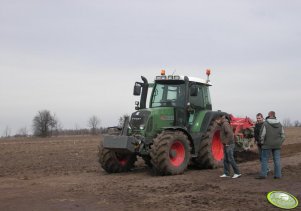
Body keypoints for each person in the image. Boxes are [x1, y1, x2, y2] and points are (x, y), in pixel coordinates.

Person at [256, 111, 285, 179]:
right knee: (277, 160)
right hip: (277, 145)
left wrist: (262, 142)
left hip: (267, 145)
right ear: (275, 115)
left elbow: (262, 135)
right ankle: (278, 175)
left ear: (269, 115)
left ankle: (263, 175)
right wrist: (279, 142)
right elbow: (283, 136)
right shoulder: (280, 124)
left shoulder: (265, 123)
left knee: (264, 159)